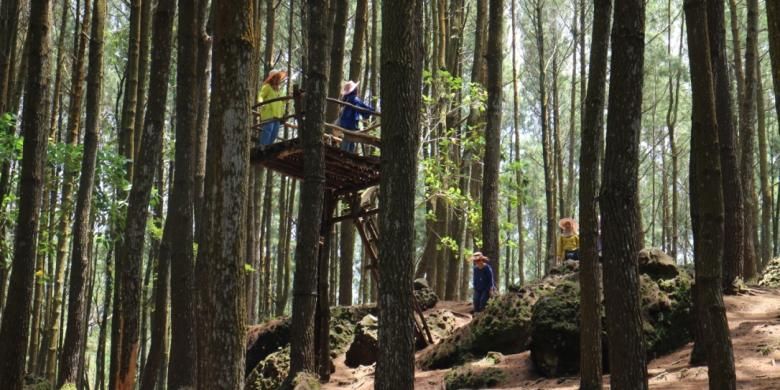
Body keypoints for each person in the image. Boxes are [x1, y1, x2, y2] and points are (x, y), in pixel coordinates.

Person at [337, 80, 375, 153]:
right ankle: (345, 158)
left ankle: (345, 157)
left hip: (345, 124)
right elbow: (364, 108)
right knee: (349, 143)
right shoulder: (354, 99)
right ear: (354, 90)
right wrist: (372, 110)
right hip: (351, 124)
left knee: (348, 141)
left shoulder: (347, 99)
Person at [258, 70, 288, 146]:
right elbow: (261, 95)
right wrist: (261, 103)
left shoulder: (279, 91)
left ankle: (269, 148)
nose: (277, 79)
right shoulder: (267, 87)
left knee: (274, 134)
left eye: (278, 77)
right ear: (272, 79)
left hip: (277, 115)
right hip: (268, 113)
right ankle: (263, 148)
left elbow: (283, 100)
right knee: (268, 130)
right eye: (275, 77)